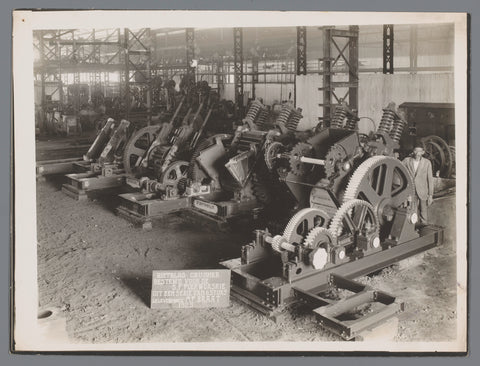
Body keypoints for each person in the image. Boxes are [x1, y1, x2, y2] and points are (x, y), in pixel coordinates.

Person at [402, 146, 434, 226]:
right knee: (413, 211)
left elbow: (430, 179)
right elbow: (398, 168)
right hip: (411, 191)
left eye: (419, 151)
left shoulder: (427, 163)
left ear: (423, 152)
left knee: (423, 212)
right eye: (415, 151)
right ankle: (413, 229)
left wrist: (430, 195)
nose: (417, 153)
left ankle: (424, 228)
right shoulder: (407, 160)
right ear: (413, 151)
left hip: (423, 191)